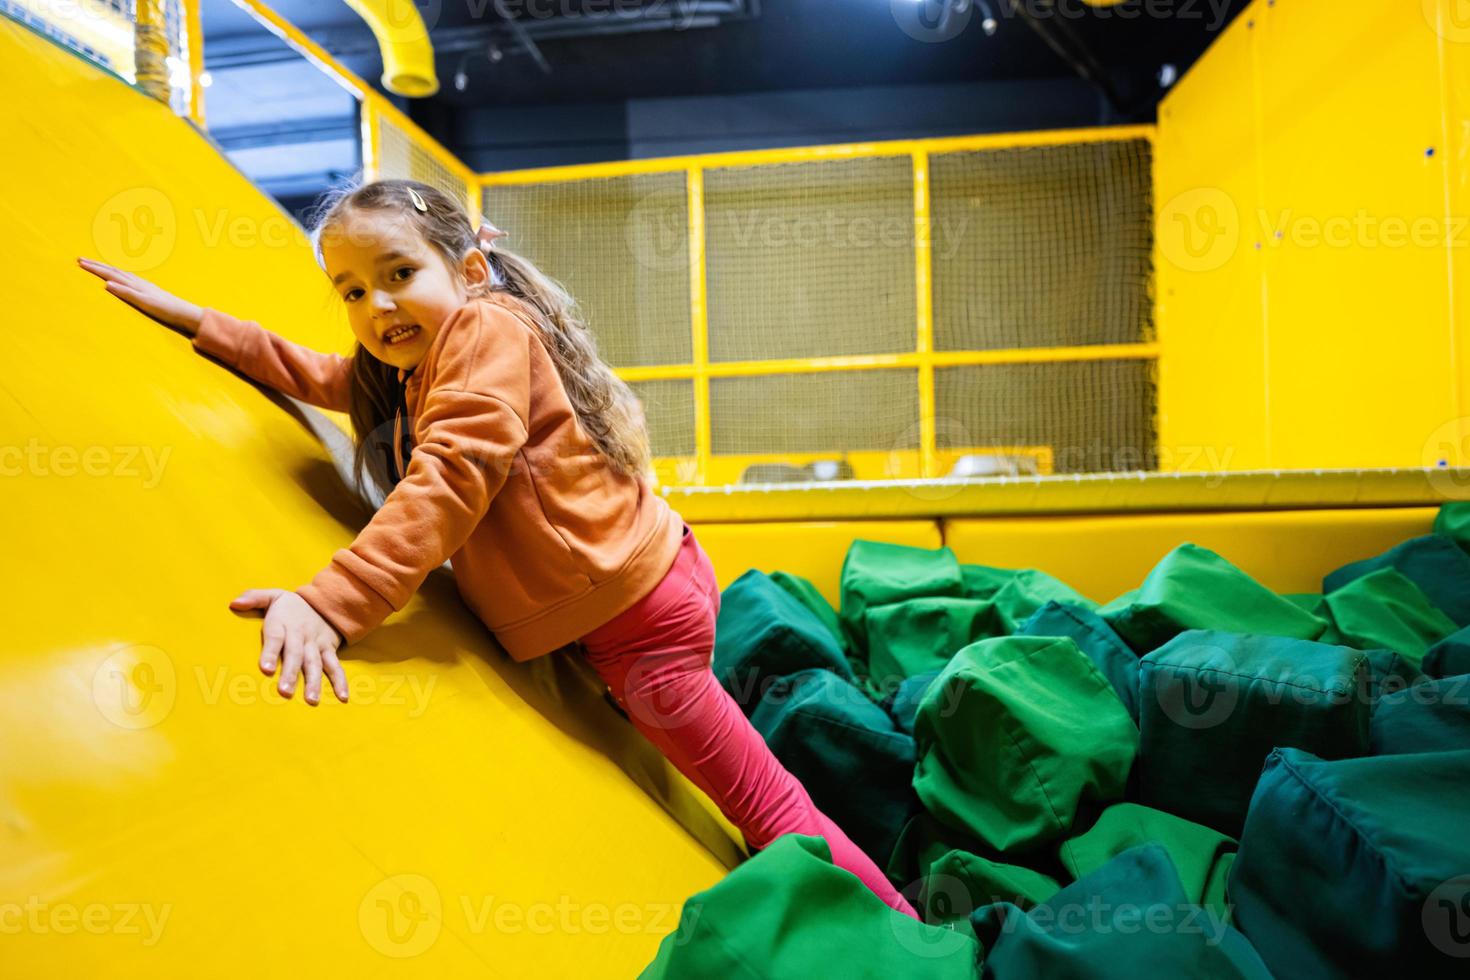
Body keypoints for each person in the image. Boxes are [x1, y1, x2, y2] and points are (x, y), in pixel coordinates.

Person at [77, 178, 920, 919]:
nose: (376, 306)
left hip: (639, 623)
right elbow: (330, 378)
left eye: (399, 274)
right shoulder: (423, 359)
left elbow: (452, 477)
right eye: (351, 290)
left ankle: (903, 937)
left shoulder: (483, 334)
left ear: (468, 270)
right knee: (751, 781)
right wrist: (199, 322)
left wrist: (331, 603)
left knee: (765, 802)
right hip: (642, 581)